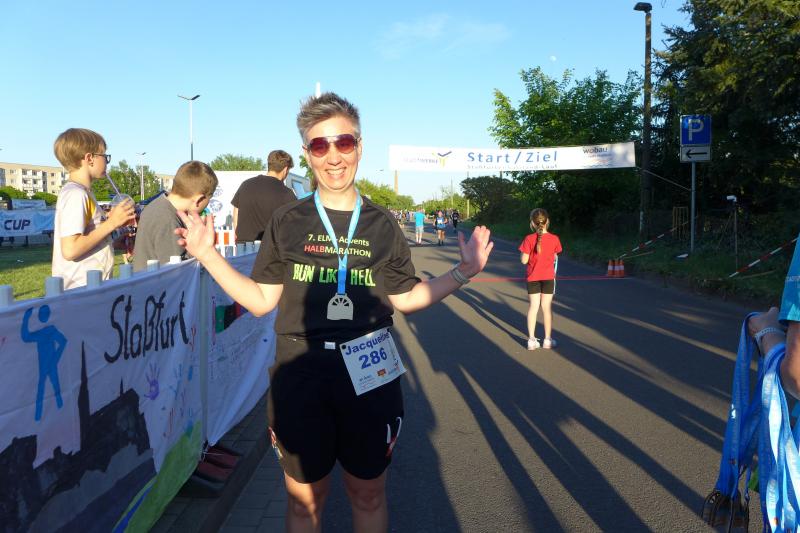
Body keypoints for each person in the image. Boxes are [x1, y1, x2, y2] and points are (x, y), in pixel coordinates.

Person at [174, 92, 493, 532]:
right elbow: (261, 300)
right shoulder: (288, 220)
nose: (333, 156)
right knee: (305, 500)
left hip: (370, 368)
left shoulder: (382, 224)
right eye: (319, 145)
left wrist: (463, 272)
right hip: (301, 370)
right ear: (307, 154)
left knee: (368, 492)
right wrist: (209, 256)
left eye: (343, 142)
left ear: (359, 147)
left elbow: (405, 298)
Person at [51, 128, 135, 290]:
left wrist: (116, 237)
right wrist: (111, 223)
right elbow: (70, 249)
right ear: (90, 158)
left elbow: (90, 239)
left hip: (91, 286)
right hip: (80, 289)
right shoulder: (76, 194)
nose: (107, 162)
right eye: (104, 156)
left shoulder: (84, 193)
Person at [132, 161, 218, 271]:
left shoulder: (160, 206)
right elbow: (176, 269)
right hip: (158, 281)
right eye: (209, 199)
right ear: (199, 199)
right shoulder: (167, 218)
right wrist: (199, 246)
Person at [519, 208, 562, 350]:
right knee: (546, 308)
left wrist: (524, 254)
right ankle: (547, 339)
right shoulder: (555, 239)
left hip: (533, 278)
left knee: (533, 307)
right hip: (548, 277)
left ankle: (532, 340)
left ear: (532, 223)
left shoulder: (528, 239)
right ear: (547, 221)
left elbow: (524, 261)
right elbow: (555, 255)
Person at [231, 150, 296, 243]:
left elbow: (236, 212)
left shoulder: (245, 185)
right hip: (271, 247)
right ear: (285, 169)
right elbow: (293, 225)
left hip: (243, 245)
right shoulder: (286, 193)